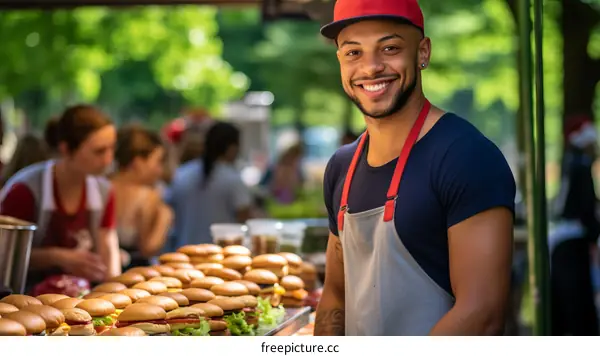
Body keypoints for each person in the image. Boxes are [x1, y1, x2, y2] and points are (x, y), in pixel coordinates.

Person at [314, 0, 516, 336]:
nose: (371, 67)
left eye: (389, 48)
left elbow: (481, 314)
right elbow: (336, 298)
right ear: (339, 61)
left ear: (423, 52)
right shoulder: (341, 167)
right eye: (353, 53)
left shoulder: (467, 156)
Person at [0, 105, 121, 291]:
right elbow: (7, 256)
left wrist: (115, 289)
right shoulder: (26, 189)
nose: (108, 159)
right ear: (66, 149)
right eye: (99, 151)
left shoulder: (104, 190)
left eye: (112, 148)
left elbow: (108, 250)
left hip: (83, 298)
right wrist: (57, 256)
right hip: (26, 297)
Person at [549, 115, 600, 335]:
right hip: (573, 241)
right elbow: (585, 207)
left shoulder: (570, 161)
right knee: (576, 307)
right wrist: (593, 233)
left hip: (564, 238)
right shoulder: (580, 164)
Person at [167, 121, 252, 249]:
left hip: (182, 253)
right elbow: (244, 220)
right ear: (232, 147)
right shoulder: (232, 179)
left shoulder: (182, 174)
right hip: (220, 256)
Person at [112, 125, 173, 269]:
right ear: (138, 162)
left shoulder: (100, 186)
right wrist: (165, 217)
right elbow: (148, 248)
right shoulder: (147, 196)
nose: (160, 170)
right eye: (158, 161)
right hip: (132, 274)